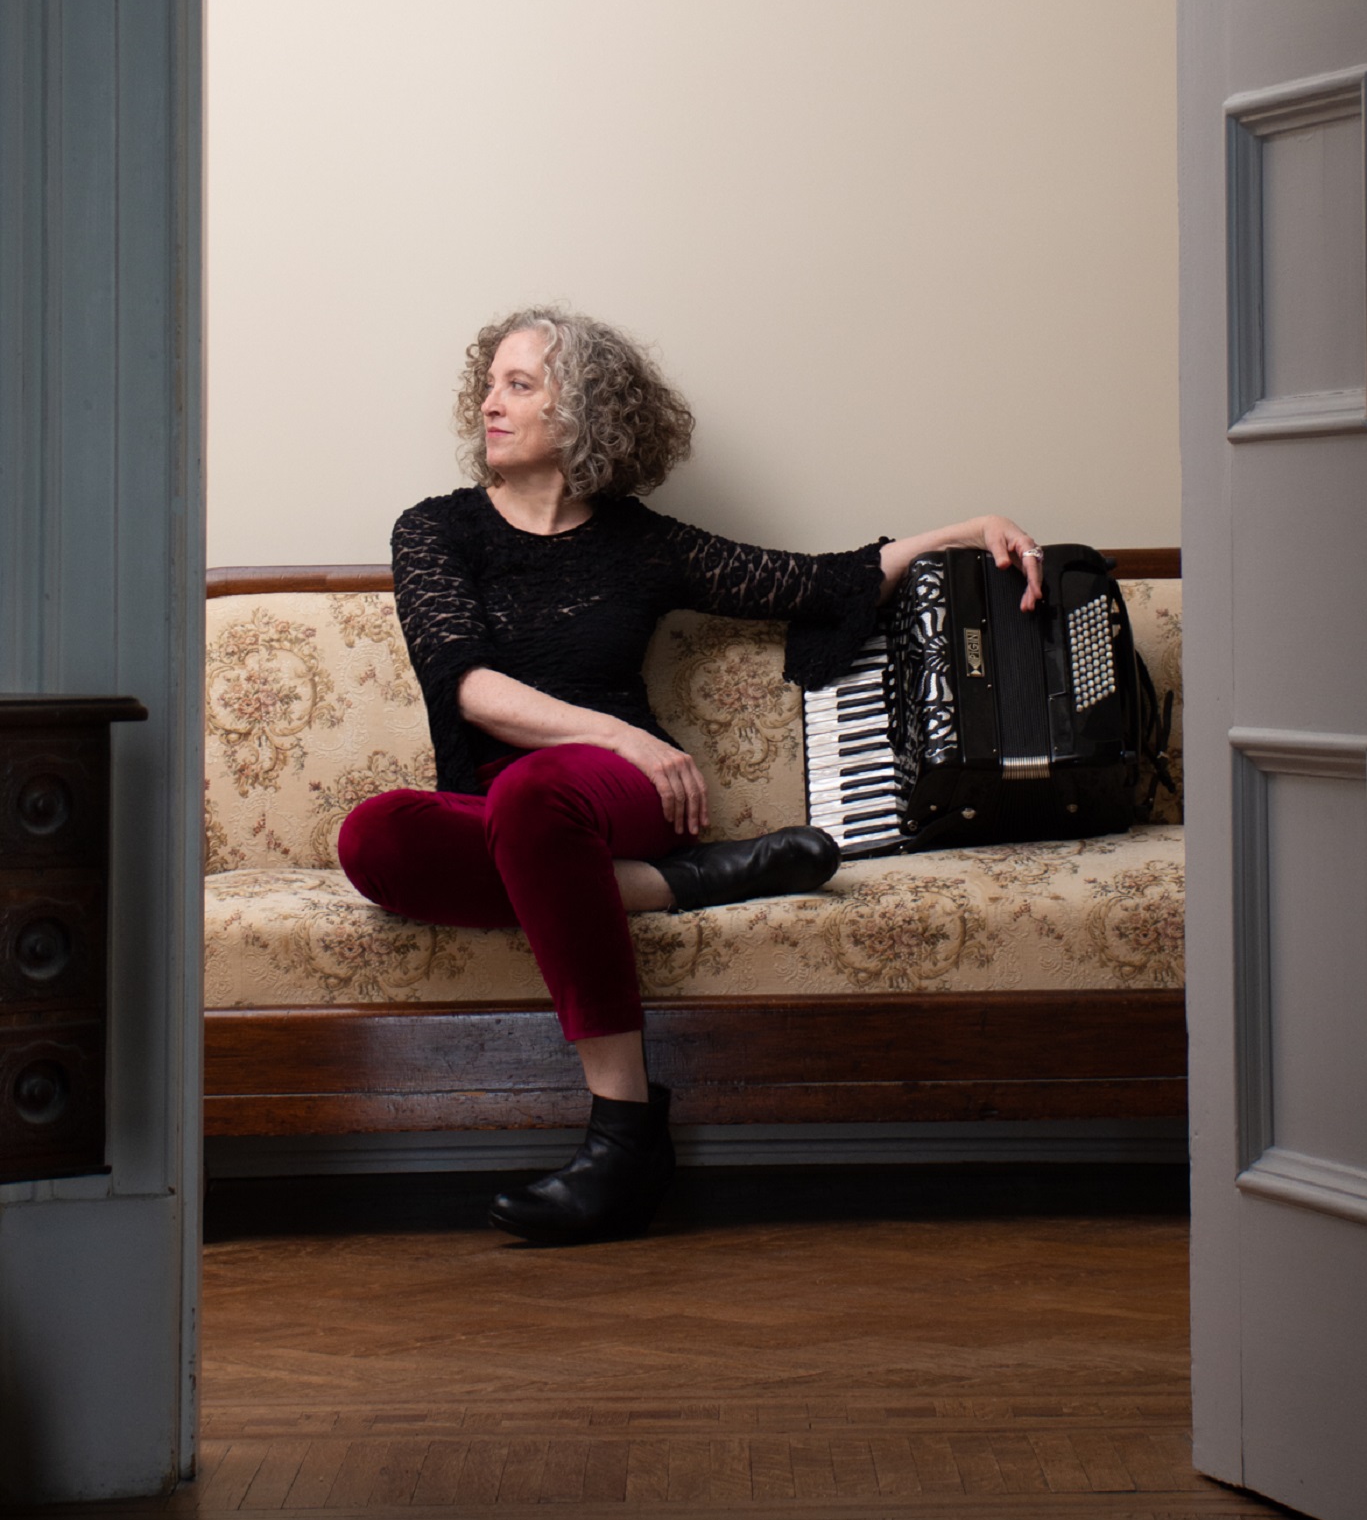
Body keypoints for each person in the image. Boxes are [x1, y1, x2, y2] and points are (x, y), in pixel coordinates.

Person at [338, 308, 1044, 1247]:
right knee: (373, 837)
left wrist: (968, 527)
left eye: (519, 385)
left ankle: (623, 1136)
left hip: (613, 799)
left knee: (533, 794)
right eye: (489, 382)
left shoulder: (641, 542)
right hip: (524, 789)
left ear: (582, 411)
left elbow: (813, 582)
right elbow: (463, 684)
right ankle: (707, 877)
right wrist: (621, 736)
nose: (488, 404)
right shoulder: (435, 530)